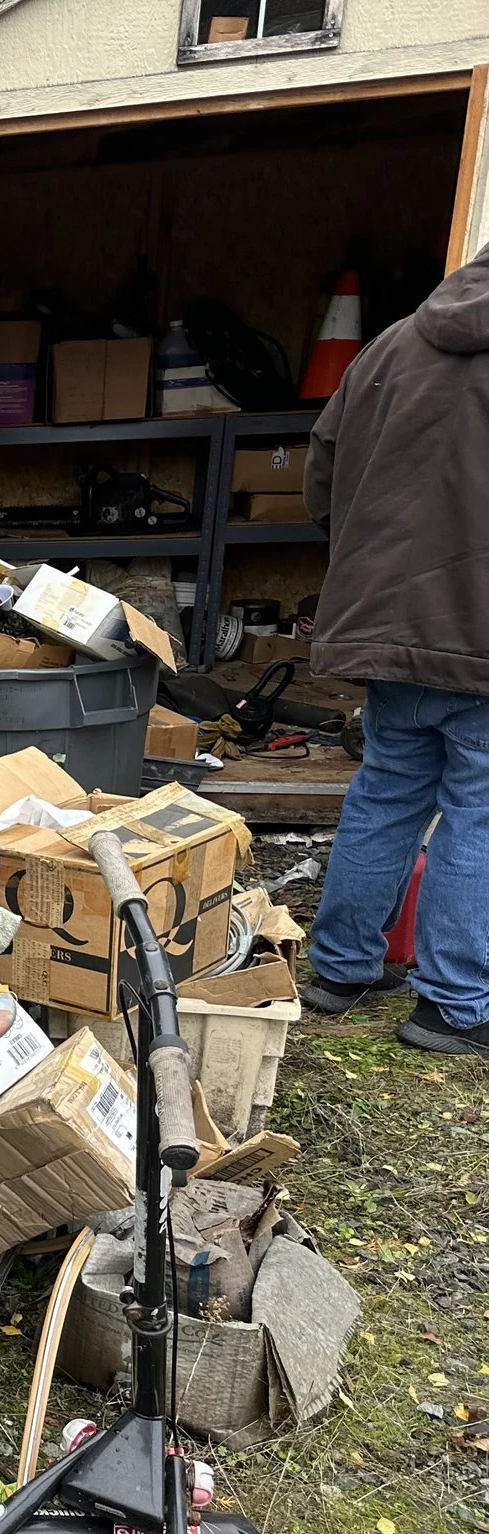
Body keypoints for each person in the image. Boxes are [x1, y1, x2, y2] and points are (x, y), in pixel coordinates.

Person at [299, 245, 489, 1056]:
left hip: (385, 622)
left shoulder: (391, 345)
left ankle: (340, 969)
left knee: (386, 791)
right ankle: (452, 1002)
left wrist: (364, 568)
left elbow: (321, 469)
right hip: (477, 632)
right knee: (479, 811)